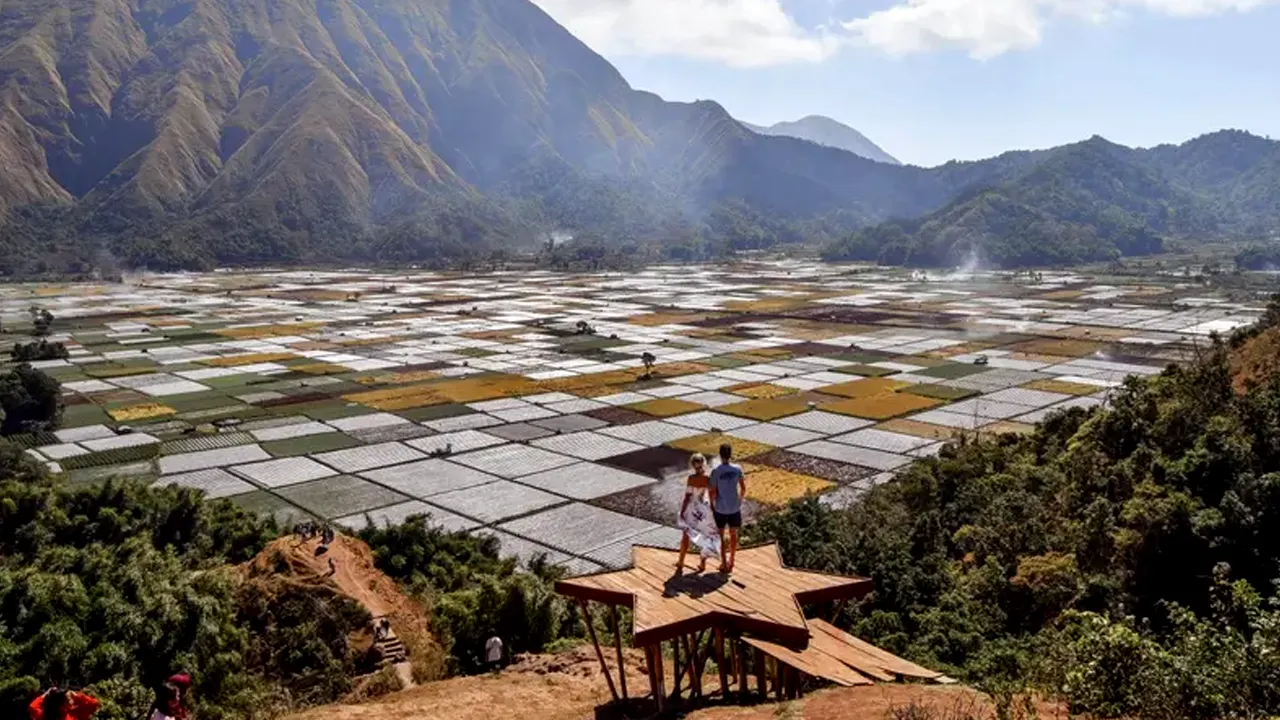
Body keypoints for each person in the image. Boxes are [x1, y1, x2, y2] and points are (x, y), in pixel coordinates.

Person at [675, 453, 720, 575]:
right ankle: (702, 563)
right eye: (698, 467)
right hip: (702, 509)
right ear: (704, 464)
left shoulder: (690, 478)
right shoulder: (707, 479)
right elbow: (711, 497)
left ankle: (681, 562)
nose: (699, 469)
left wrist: (683, 511)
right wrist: (714, 512)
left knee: (686, 535)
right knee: (706, 535)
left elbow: (687, 497)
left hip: (691, 508)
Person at [708, 444, 746, 573]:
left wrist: (712, 505)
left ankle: (723, 563)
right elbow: (743, 488)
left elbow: (712, 491)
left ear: (720, 455)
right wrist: (739, 501)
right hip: (734, 507)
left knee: (721, 535)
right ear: (730, 454)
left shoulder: (716, 471)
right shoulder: (737, 469)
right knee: (733, 534)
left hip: (720, 508)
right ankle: (732, 560)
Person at [29, 687, 100, 720]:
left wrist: (46, 694)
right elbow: (94, 703)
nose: (72, 700)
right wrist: (78, 695)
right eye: (69, 699)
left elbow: (32, 707)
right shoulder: (74, 713)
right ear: (61, 705)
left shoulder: (46, 716)